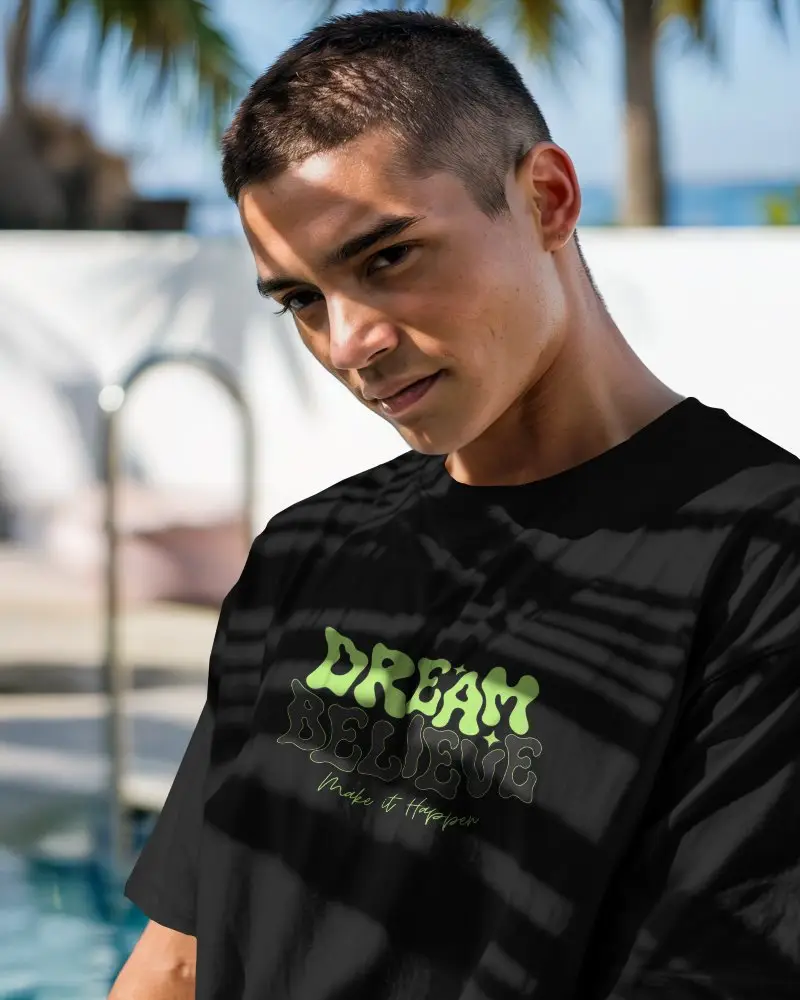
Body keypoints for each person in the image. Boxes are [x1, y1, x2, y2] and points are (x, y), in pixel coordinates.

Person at [109, 10, 800, 1000]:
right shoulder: (305, 550)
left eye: (385, 258)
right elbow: (175, 958)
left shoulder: (758, 565)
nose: (348, 342)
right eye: (300, 298)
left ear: (546, 199)